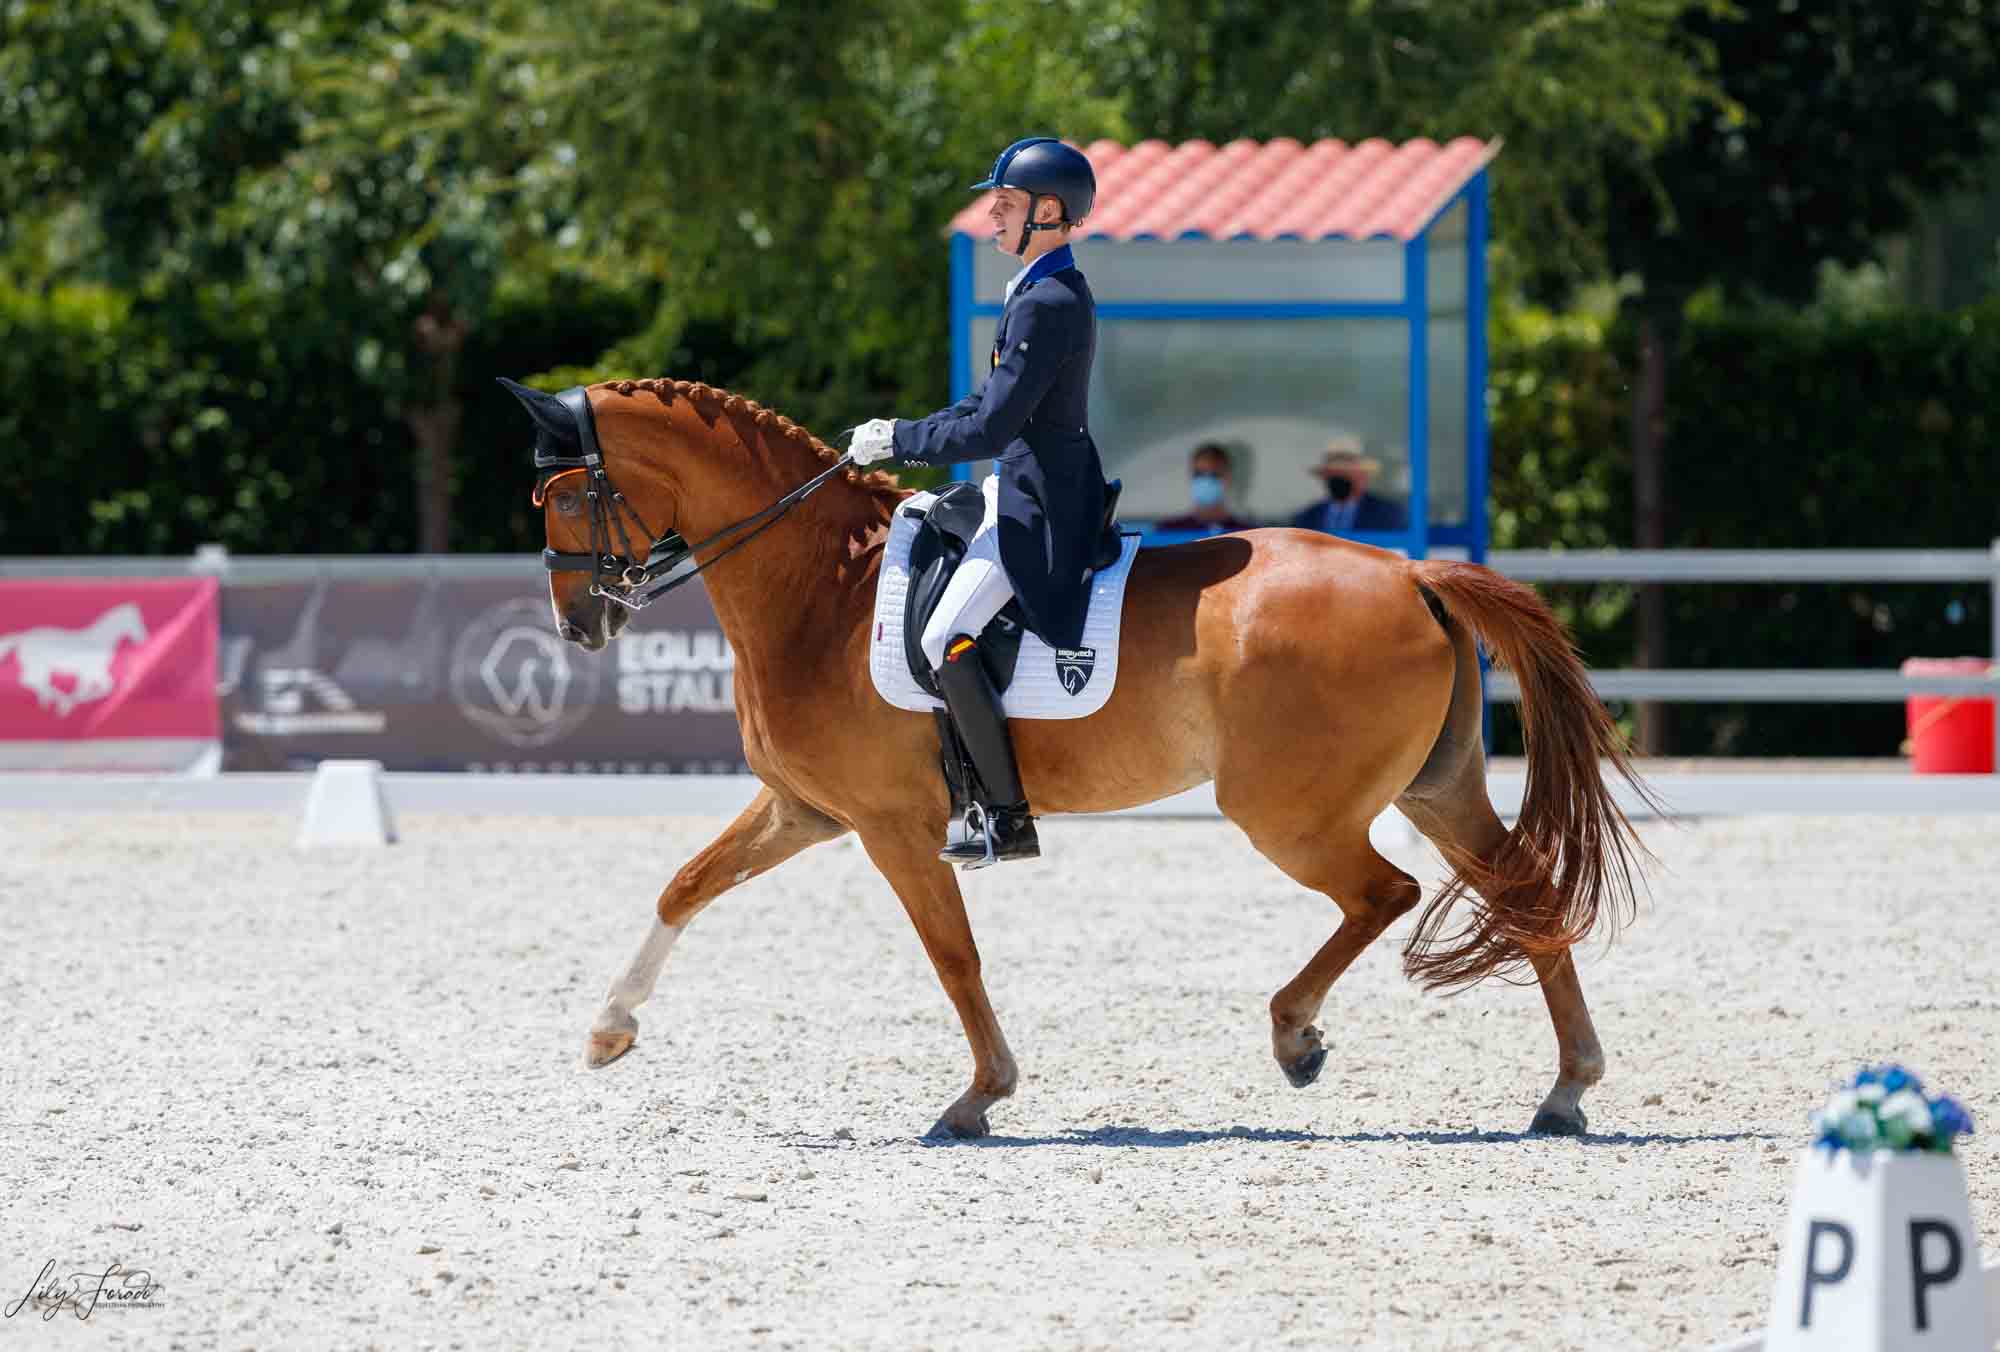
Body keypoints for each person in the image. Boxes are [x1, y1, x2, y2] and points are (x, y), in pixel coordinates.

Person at [848, 136, 1106, 868]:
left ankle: (1007, 816)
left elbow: (994, 426)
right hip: (1021, 481)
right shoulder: (1034, 285)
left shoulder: (1049, 299)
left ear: (1048, 212)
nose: (992, 211)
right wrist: (903, 431)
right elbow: (983, 400)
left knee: (942, 638)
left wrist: (900, 438)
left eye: (1009, 202)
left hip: (1043, 497)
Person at [1290, 436, 1407, 534]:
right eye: (1333, 472)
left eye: (1347, 471)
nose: (1339, 477)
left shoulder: (1387, 515)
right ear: (1324, 477)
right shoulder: (1306, 518)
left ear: (1363, 476)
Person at [1155, 442, 1254, 535]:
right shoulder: (1168, 531)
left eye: (1214, 474)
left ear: (1228, 478)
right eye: (1199, 474)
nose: (1205, 481)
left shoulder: (1249, 533)